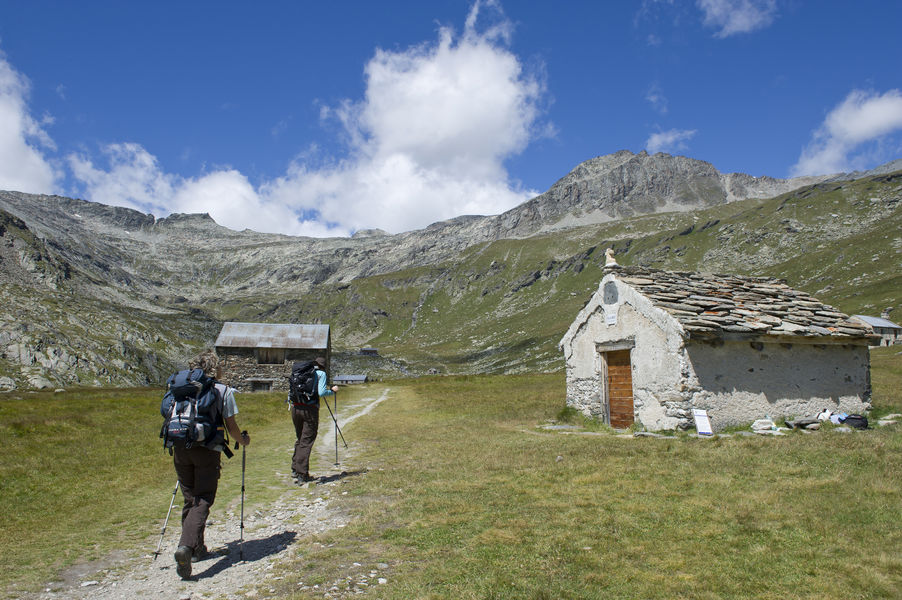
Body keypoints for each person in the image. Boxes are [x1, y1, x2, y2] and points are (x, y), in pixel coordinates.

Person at [172, 350, 250, 580]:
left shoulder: (179, 386)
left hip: (180, 448)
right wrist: (242, 441)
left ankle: (196, 549)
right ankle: (186, 546)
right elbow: (231, 426)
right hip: (207, 450)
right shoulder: (222, 390)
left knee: (190, 498)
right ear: (215, 368)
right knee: (203, 498)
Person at [291, 356, 337, 483]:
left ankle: (295, 469)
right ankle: (302, 474)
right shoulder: (321, 373)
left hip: (295, 408)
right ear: (324, 366)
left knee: (300, 438)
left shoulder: (301, 371)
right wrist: (332, 391)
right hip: (309, 410)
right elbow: (321, 392)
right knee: (307, 440)